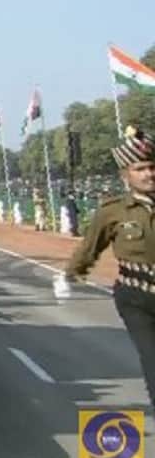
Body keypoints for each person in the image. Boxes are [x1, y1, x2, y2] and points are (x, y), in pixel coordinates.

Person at [58, 127, 155, 410]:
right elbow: (90, 248)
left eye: (151, 167)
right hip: (136, 297)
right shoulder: (113, 211)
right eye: (140, 169)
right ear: (126, 175)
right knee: (152, 358)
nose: (148, 174)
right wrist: (70, 275)